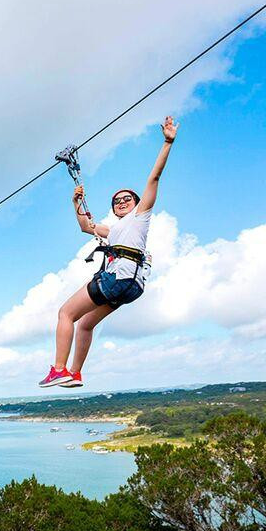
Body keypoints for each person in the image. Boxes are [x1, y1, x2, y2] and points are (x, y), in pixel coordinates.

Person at [38, 116, 179, 388]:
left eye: (128, 198)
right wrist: (76, 202)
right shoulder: (113, 230)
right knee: (86, 324)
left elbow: (154, 177)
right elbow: (85, 227)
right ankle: (75, 373)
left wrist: (167, 142)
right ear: (114, 209)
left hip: (118, 280)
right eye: (117, 201)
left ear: (138, 204)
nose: (122, 201)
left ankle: (58, 369)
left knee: (66, 313)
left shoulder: (140, 218)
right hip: (131, 287)